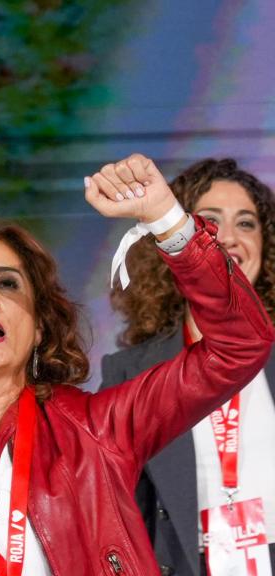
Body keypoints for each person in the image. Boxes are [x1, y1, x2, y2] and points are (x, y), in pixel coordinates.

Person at [0, 154, 274, 575]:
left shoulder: (100, 432)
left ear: (40, 327)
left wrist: (166, 218)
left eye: (8, 283)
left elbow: (238, 345)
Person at [101, 158, 275, 575]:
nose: (230, 239)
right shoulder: (130, 371)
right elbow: (124, 514)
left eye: (247, 223)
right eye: (209, 222)